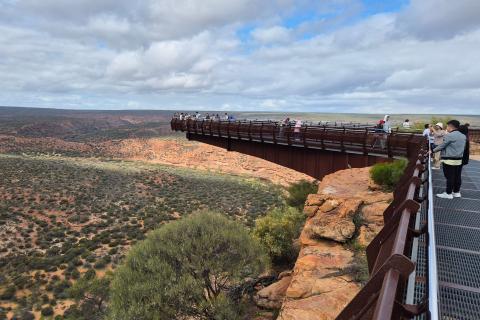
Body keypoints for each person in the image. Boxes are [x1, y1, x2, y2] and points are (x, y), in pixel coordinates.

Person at [433, 120, 466, 199]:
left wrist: (432, 151)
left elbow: (442, 146)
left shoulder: (449, 135)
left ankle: (448, 193)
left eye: (447, 126)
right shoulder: (463, 136)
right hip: (459, 160)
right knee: (457, 176)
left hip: (449, 160)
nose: (446, 128)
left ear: (450, 126)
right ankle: (456, 192)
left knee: (449, 177)